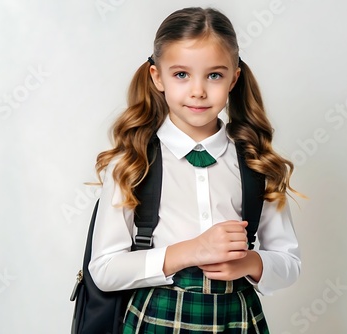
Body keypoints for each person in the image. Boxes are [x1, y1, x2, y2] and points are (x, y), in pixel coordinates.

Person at [88, 7, 301, 333]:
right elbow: (104, 269)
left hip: (237, 318)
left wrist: (249, 263)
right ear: (157, 77)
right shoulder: (132, 163)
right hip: (157, 316)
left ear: (234, 78)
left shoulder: (256, 164)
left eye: (214, 75)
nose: (198, 91)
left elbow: (289, 262)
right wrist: (190, 251)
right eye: (181, 74)